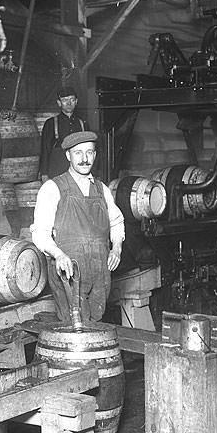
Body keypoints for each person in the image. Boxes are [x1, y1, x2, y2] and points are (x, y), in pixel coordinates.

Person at [31, 130, 125, 322]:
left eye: (89, 153)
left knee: (96, 326)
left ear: (95, 155)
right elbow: (40, 232)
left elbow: (117, 222)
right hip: (69, 272)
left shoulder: (102, 189)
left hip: (100, 272)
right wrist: (58, 254)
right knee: (72, 329)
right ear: (68, 156)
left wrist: (116, 248)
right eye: (78, 153)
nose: (84, 159)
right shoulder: (53, 188)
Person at [38, 85, 86, 182]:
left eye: (72, 100)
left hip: (78, 170)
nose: (69, 103)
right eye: (64, 100)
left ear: (76, 102)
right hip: (57, 169)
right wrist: (44, 173)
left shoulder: (82, 123)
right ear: (59, 103)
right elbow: (45, 150)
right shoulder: (51, 123)